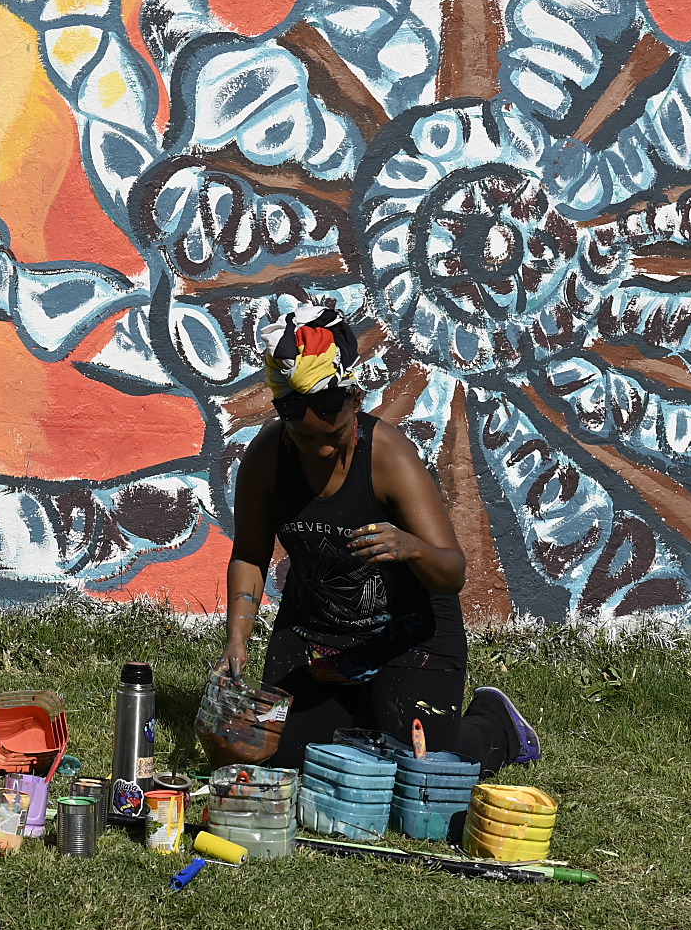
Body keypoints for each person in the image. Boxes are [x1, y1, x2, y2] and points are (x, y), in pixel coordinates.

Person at [219, 315, 542, 773]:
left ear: (355, 399)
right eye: (303, 438)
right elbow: (250, 554)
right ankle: (362, 710)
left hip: (409, 637)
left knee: (419, 768)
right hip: (317, 631)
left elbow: (452, 572)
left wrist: (410, 547)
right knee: (285, 764)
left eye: (332, 437)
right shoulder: (267, 458)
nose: (321, 451)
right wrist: (237, 639)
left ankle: (497, 725)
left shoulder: (388, 456)